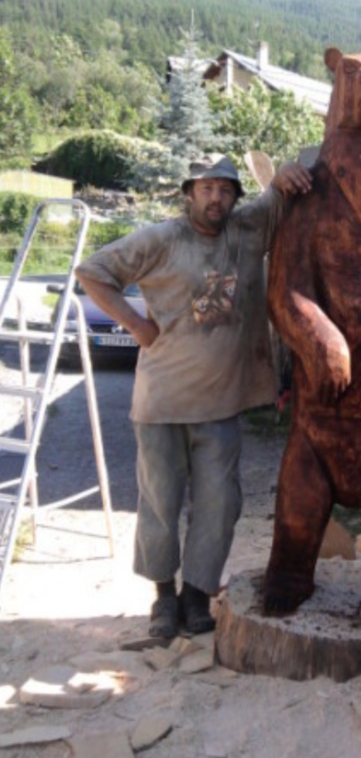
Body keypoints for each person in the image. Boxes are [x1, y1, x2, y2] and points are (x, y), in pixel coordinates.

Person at [75, 154, 312, 639]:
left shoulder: (248, 230)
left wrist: (289, 168)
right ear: (189, 193)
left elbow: (284, 183)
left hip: (221, 404)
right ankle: (163, 598)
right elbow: (92, 272)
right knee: (161, 502)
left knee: (220, 504)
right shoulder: (161, 239)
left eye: (225, 190)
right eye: (206, 189)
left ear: (234, 198)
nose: (215, 198)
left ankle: (197, 595)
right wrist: (138, 325)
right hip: (161, 402)